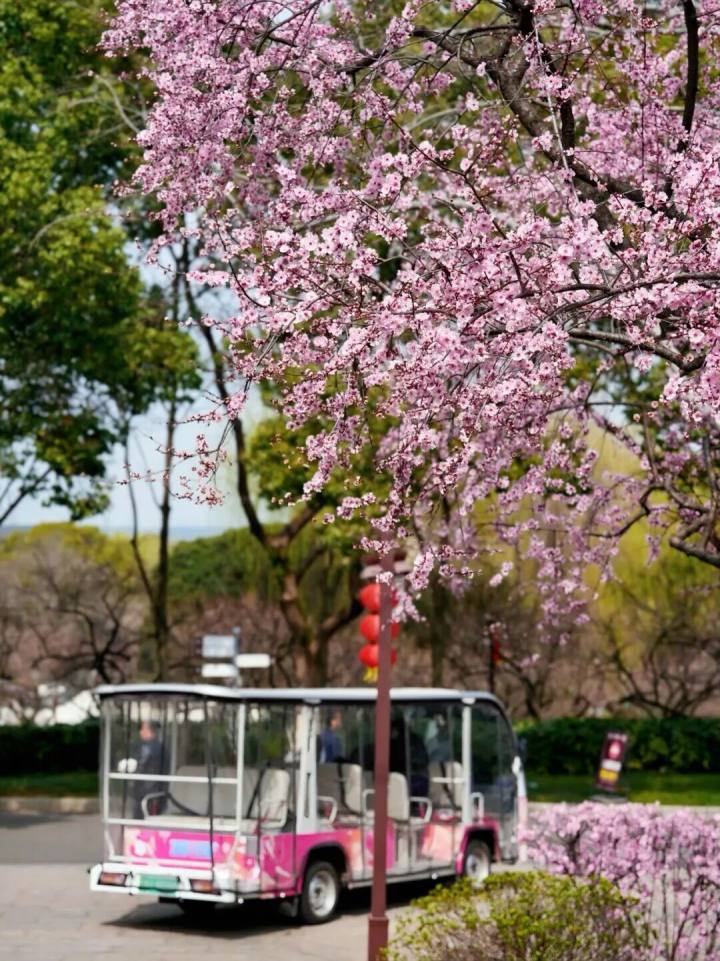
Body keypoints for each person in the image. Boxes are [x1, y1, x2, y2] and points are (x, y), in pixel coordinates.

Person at [119, 720, 166, 818]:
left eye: (142, 729)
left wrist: (127, 768)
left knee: (141, 817)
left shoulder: (148, 748)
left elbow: (140, 766)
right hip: (154, 790)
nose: (140, 732)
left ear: (148, 730)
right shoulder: (159, 746)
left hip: (145, 790)